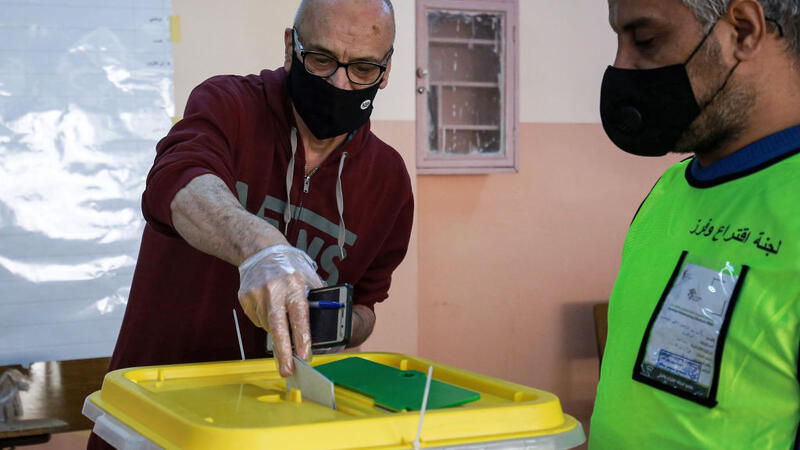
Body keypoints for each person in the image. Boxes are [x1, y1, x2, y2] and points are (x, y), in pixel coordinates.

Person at [591, 0, 800, 448]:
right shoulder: (670, 189)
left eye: (645, 40)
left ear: (743, 30)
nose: (621, 66)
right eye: (618, 41)